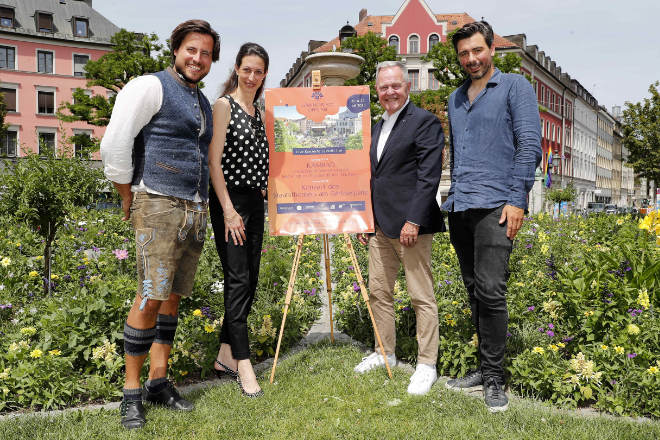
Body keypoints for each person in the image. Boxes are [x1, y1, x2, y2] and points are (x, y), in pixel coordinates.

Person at [100, 20, 220, 429]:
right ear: (176, 50)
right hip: (159, 201)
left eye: (205, 53)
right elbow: (115, 141)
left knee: (172, 297)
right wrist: (126, 194)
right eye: (191, 50)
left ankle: (158, 381)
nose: (198, 59)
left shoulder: (201, 101)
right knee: (150, 295)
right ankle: (131, 394)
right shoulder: (149, 86)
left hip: (193, 207)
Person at [441, 21, 541, 412]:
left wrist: (518, 199)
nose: (471, 59)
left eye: (477, 50)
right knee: (474, 290)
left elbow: (529, 144)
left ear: (491, 49)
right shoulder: (455, 98)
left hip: (498, 205)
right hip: (461, 206)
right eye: (464, 53)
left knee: (492, 291)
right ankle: (485, 368)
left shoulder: (515, 87)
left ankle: (496, 379)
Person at [355, 61, 445, 396]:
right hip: (379, 227)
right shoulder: (377, 126)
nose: (389, 92)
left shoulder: (424, 122)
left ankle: (426, 365)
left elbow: (428, 176)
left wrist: (414, 220)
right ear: (377, 92)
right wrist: (366, 218)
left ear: (407, 87)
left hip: (411, 227)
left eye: (395, 85)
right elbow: (373, 178)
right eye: (383, 87)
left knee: (421, 297)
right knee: (379, 293)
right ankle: (385, 353)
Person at [207, 43, 269, 398]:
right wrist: (229, 210)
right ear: (236, 68)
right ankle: (244, 366)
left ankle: (224, 356)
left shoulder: (257, 110)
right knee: (238, 279)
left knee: (251, 279)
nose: (252, 76)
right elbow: (214, 163)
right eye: (247, 69)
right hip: (229, 203)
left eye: (258, 71)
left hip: (254, 202)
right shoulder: (224, 106)